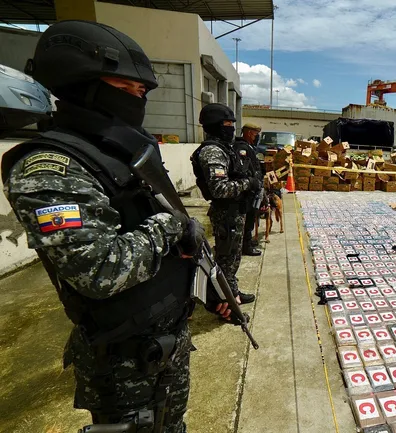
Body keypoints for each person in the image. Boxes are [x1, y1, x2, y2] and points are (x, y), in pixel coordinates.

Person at [1, 20, 231, 432]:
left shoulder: (122, 149)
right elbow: (100, 271)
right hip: (124, 355)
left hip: (166, 334)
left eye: (141, 92)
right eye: (125, 90)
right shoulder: (50, 167)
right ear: (79, 85)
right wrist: (171, 226)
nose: (137, 101)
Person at [191, 103, 259, 305]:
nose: (231, 128)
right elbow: (219, 189)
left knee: (232, 259)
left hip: (234, 211)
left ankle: (231, 292)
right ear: (215, 125)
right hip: (226, 213)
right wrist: (248, 183)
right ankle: (226, 302)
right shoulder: (212, 151)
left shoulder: (224, 148)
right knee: (226, 259)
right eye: (227, 124)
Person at [235, 123, 263, 256]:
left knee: (251, 217)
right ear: (249, 133)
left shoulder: (250, 147)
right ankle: (245, 246)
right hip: (246, 190)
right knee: (248, 218)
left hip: (252, 188)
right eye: (256, 134)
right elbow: (243, 170)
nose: (257, 137)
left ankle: (248, 241)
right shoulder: (242, 148)